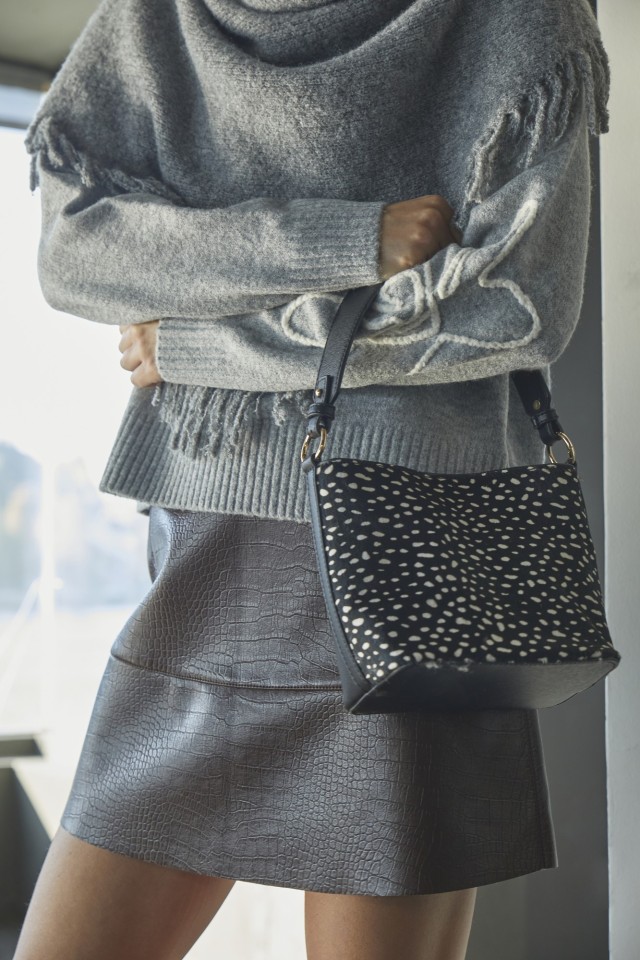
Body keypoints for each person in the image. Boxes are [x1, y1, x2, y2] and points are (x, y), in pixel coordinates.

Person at [15, 0, 610, 957]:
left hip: (411, 562)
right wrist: (348, 240)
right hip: (206, 559)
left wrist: (204, 343)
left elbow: (517, 306)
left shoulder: (512, 17)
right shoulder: (156, 19)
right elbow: (78, 252)